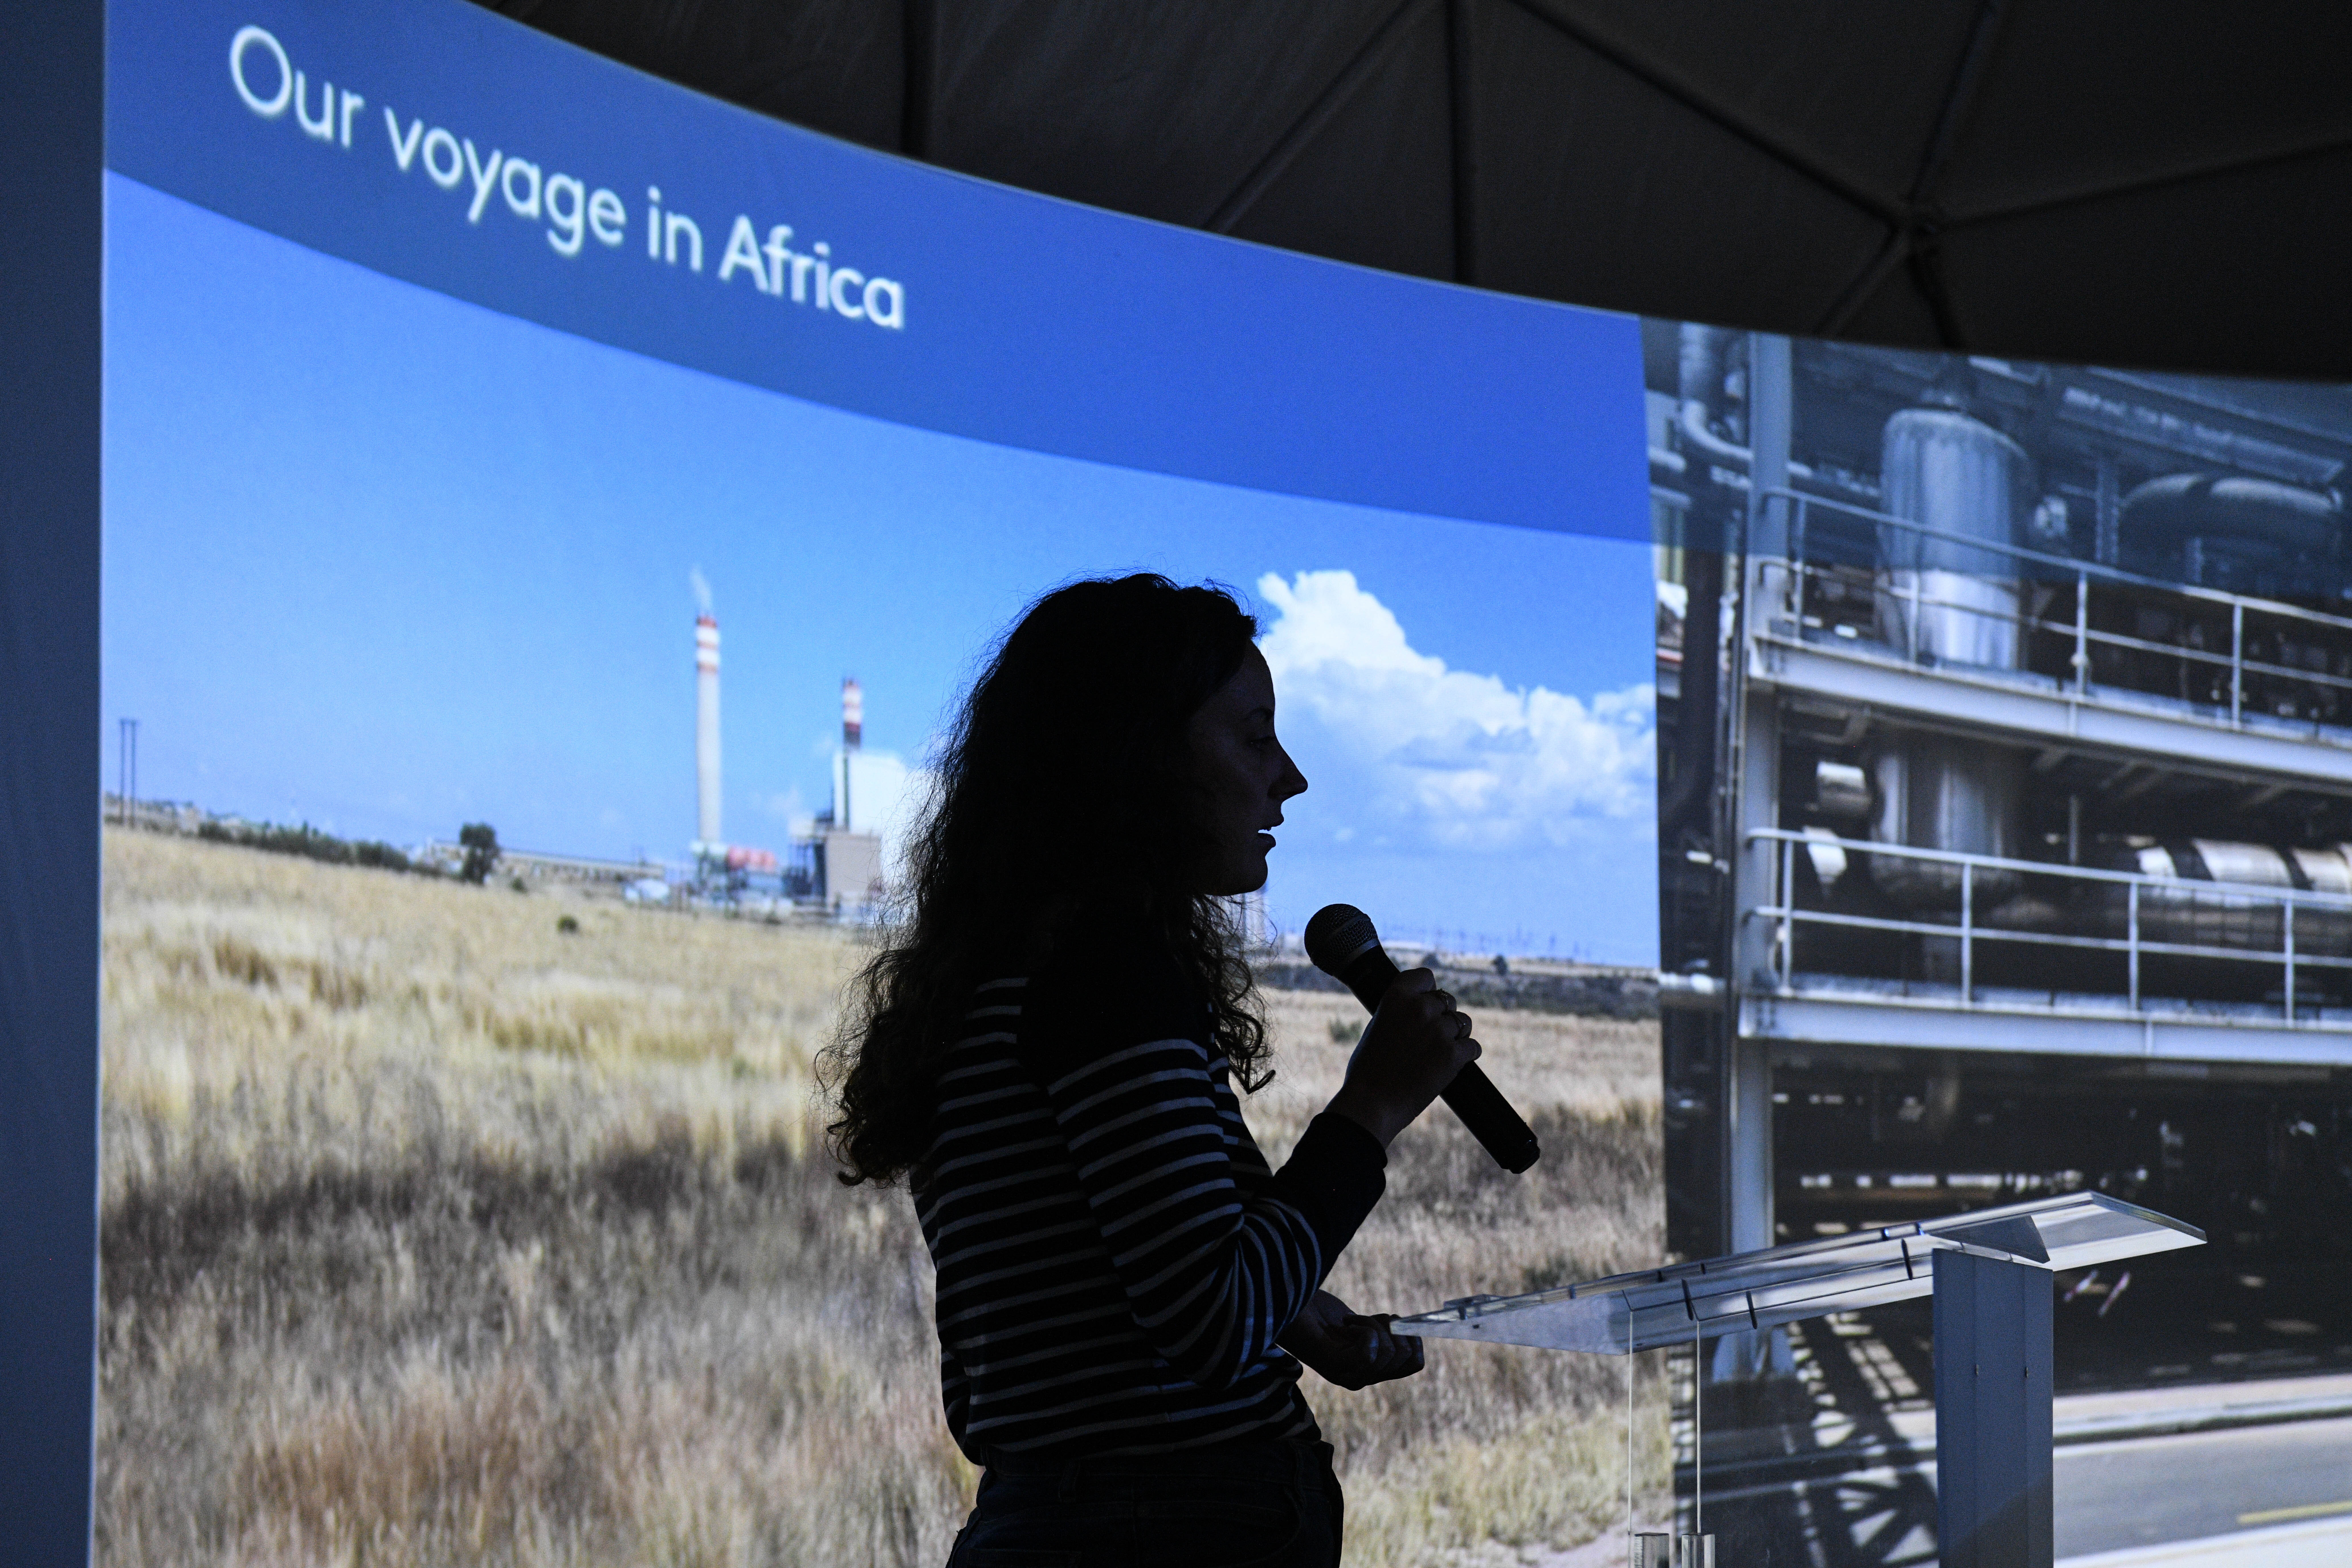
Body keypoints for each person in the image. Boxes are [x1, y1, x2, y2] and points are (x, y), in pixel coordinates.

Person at [823, 575, 1484, 1567]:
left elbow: (1126, 1270)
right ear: (1138, 759)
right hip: (1173, 1522)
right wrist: (1375, 1105)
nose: (1291, 779)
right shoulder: (1106, 976)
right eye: (1255, 739)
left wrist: (1298, 1314)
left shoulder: (998, 976)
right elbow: (1215, 1320)